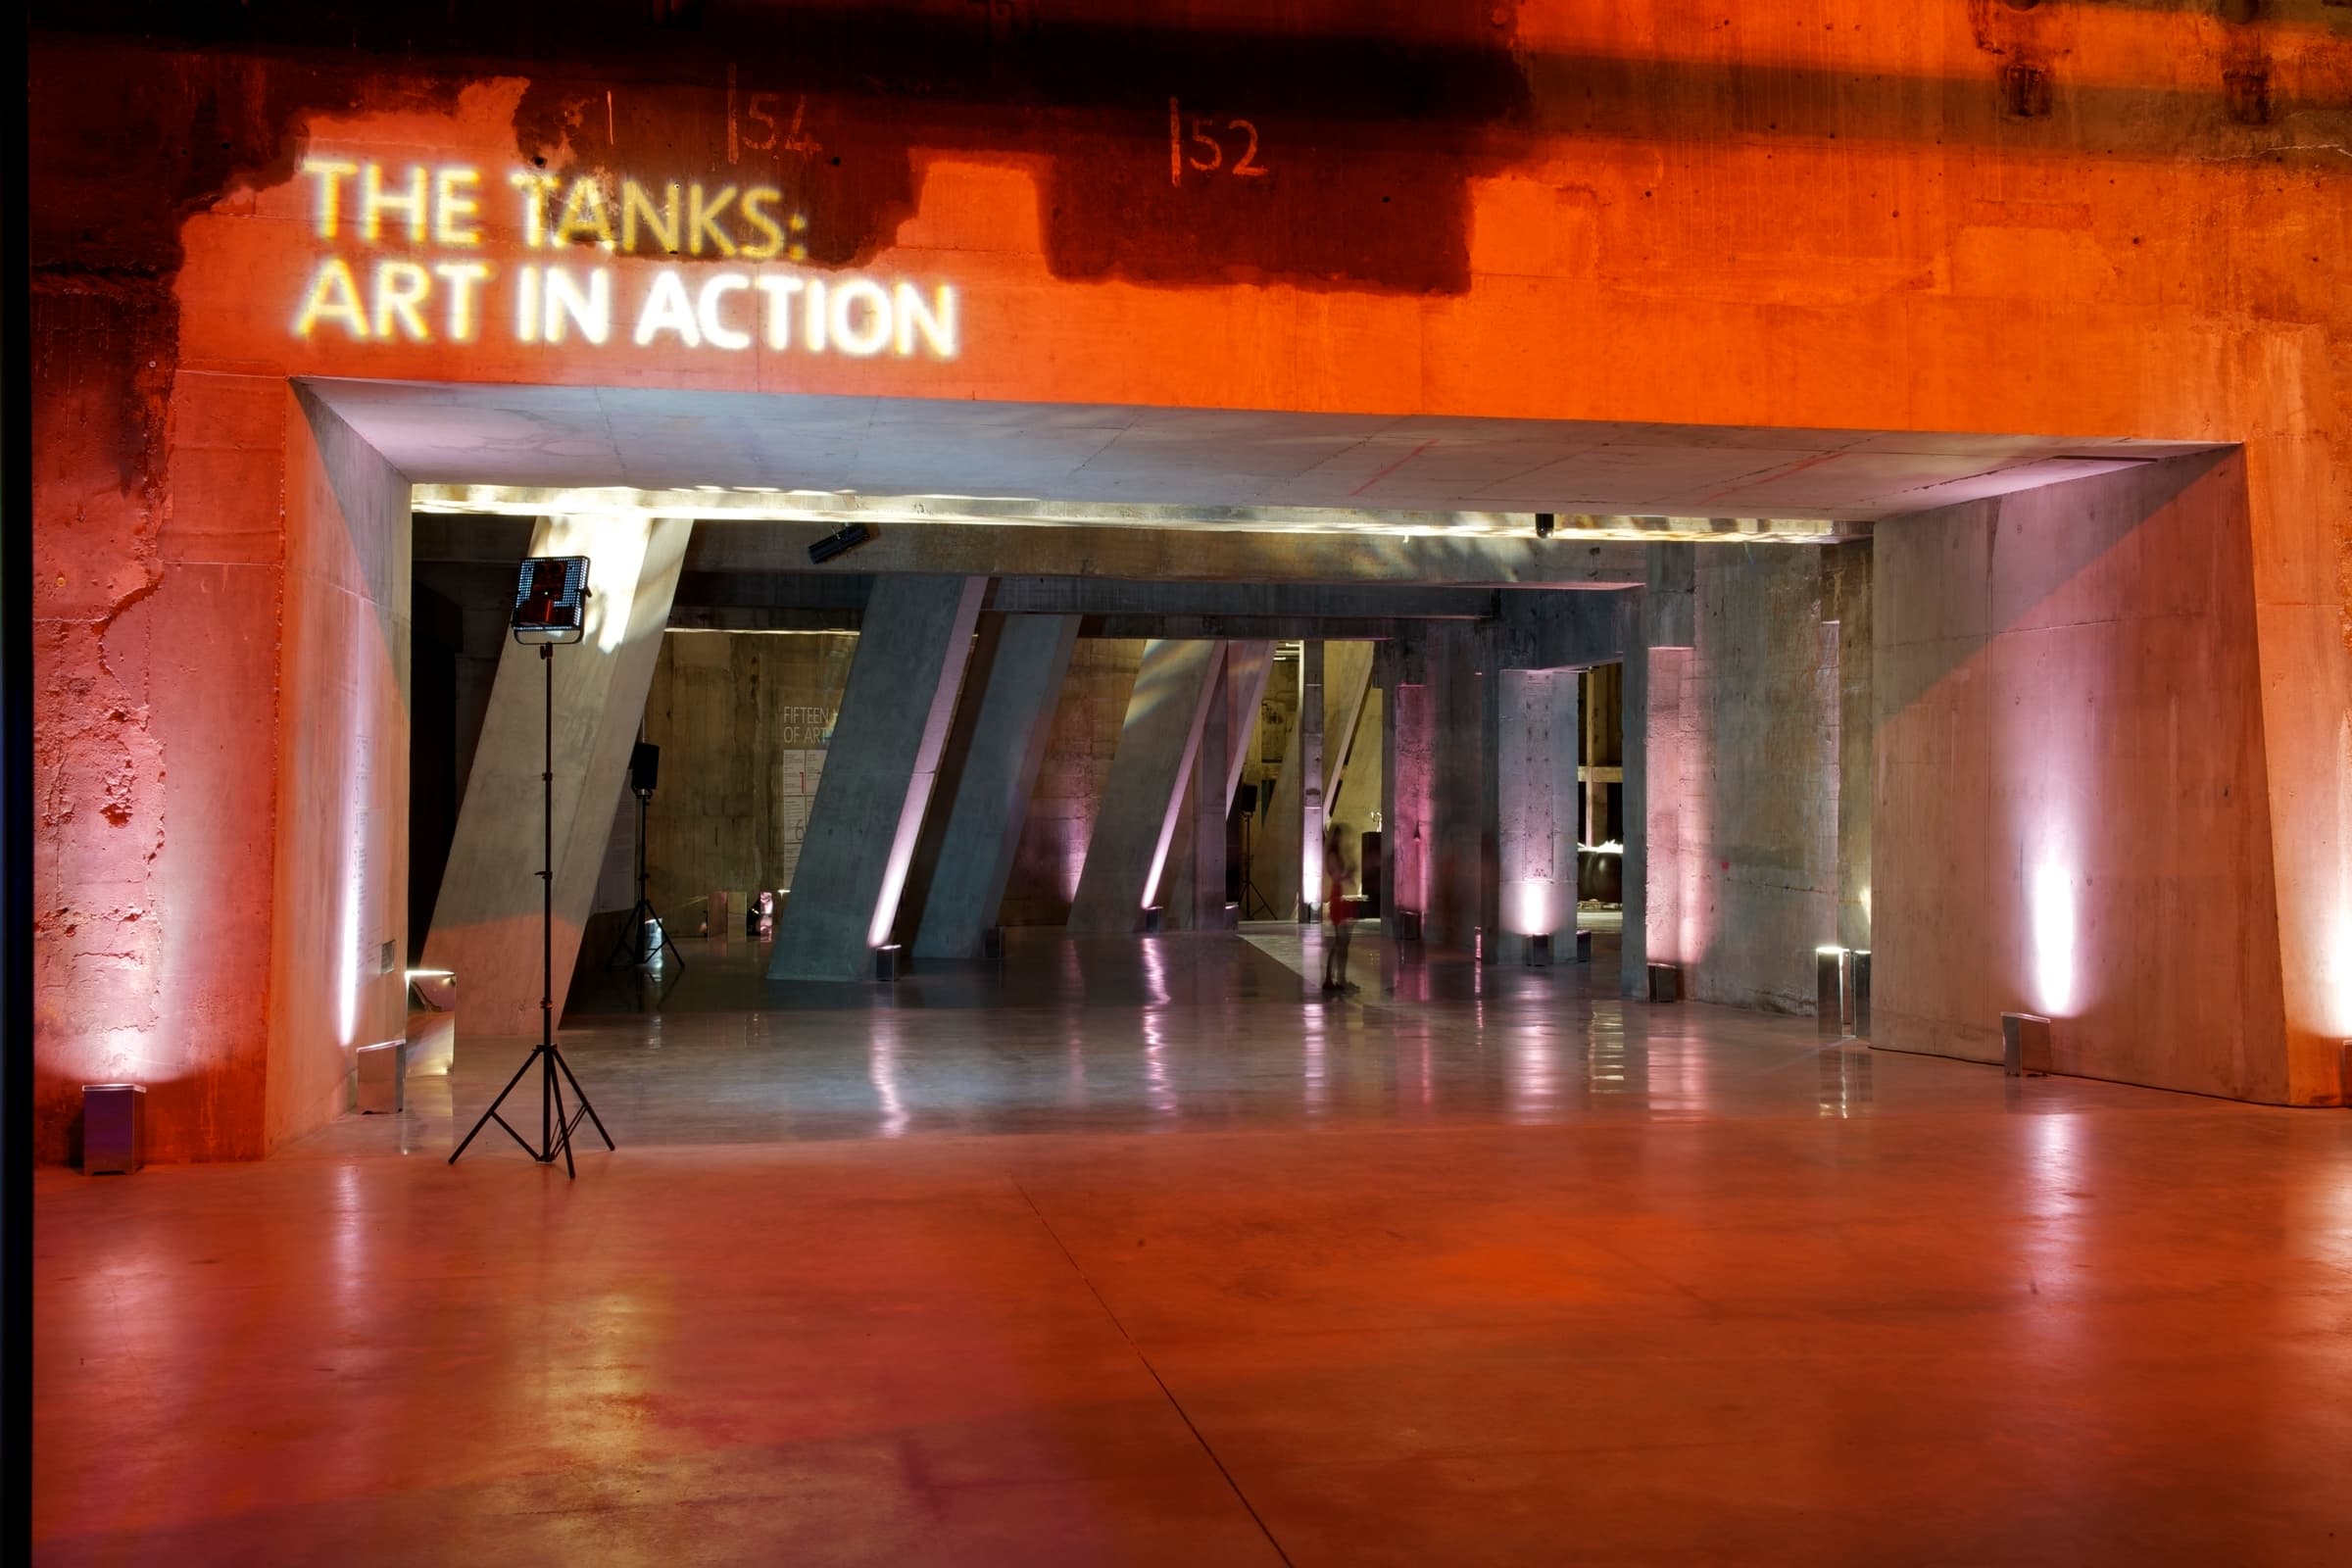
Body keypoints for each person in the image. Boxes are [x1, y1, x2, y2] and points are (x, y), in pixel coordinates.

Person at [1321, 820, 1359, 994]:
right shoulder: (1333, 855)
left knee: (1341, 943)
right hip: (1337, 898)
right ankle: (1333, 979)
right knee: (1340, 942)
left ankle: (1337, 978)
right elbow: (1337, 876)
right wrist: (1348, 874)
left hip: (1339, 897)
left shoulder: (1335, 854)